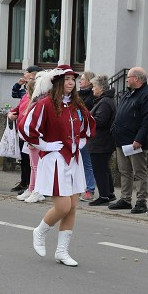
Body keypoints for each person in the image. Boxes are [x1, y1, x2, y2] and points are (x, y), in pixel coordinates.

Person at [24, 65, 95, 266]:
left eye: (73, 79)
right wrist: (44, 144)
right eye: (67, 79)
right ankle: (40, 231)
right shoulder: (45, 104)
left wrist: (80, 141)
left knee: (72, 207)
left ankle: (62, 251)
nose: (71, 83)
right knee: (63, 206)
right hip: (54, 160)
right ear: (57, 82)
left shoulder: (76, 105)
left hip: (73, 159)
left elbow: (88, 126)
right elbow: (27, 127)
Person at [109, 67, 148, 214]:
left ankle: (141, 200)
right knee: (124, 171)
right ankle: (125, 198)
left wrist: (139, 139)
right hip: (121, 139)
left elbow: (147, 120)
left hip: (134, 141)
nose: (127, 79)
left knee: (139, 171)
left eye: (129, 77)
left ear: (136, 78)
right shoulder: (129, 93)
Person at [86, 75, 116, 206]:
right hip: (102, 141)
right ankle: (109, 193)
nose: (92, 89)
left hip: (101, 141)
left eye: (94, 87)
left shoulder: (104, 102)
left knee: (99, 169)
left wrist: (87, 119)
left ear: (101, 88)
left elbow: (100, 120)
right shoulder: (105, 100)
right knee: (104, 168)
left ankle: (104, 195)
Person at [11, 65, 41, 195]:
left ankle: (31, 185)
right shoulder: (25, 95)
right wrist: (12, 113)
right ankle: (24, 182)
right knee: (24, 159)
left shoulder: (38, 93)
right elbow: (18, 104)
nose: (24, 75)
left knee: (32, 161)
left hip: (32, 132)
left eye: (26, 74)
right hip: (22, 130)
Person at [77, 71, 97, 200]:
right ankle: (79, 187)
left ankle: (90, 189)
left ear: (89, 81)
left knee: (87, 162)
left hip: (85, 132)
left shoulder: (91, 97)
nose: (79, 81)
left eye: (82, 79)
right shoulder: (77, 94)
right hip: (75, 131)